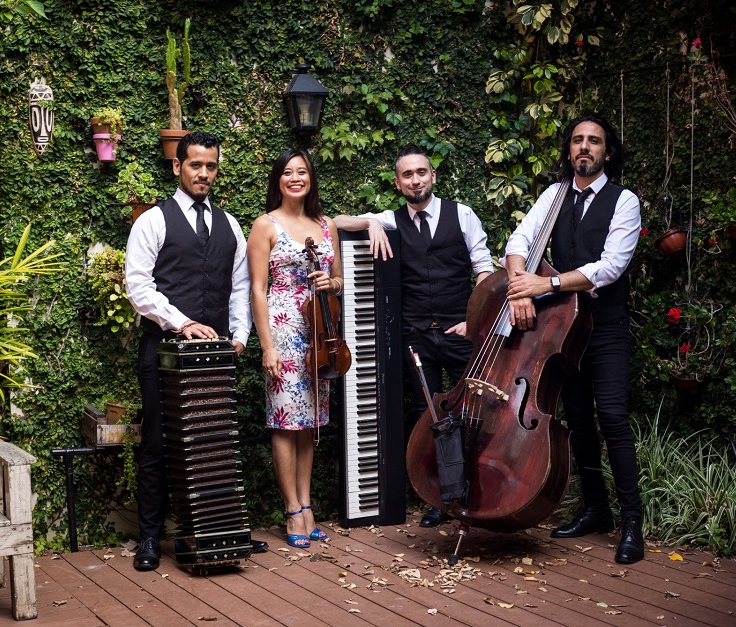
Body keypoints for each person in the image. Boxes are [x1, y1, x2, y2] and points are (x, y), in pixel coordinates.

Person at [503, 114, 644, 564]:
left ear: (607, 152)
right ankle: (596, 509)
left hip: (604, 330)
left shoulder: (625, 201)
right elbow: (518, 241)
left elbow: (611, 266)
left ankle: (631, 522)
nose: (585, 147)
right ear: (569, 151)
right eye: (578, 141)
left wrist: (544, 286)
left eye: (595, 141)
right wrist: (517, 289)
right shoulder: (554, 194)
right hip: (562, 330)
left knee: (614, 419)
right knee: (579, 421)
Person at [124, 131, 268, 571]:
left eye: (210, 166)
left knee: (213, 442)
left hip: (217, 355)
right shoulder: (152, 220)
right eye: (195, 165)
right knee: (156, 446)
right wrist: (182, 322)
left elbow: (240, 286)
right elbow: (138, 286)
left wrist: (241, 334)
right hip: (163, 351)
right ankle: (149, 539)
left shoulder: (229, 224)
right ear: (177, 167)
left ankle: (218, 532)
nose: (203, 173)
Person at [334, 144, 493, 528]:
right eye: (407, 175)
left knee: (476, 414)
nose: (415, 180)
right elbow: (337, 221)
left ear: (433, 176)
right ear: (397, 182)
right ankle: (441, 498)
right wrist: (371, 223)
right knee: (431, 419)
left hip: (461, 334)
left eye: (421, 172)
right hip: (417, 339)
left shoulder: (463, 215)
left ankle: (481, 493)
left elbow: (485, 272)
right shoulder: (389, 218)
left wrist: (476, 321)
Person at [247, 149, 342, 548]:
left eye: (302, 171)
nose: (296, 177)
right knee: (286, 423)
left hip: (320, 333)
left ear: (311, 178)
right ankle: (291, 509)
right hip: (284, 334)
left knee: (311, 425)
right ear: (278, 179)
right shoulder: (264, 225)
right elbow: (257, 289)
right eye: (288, 172)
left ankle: (307, 504)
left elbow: (339, 281)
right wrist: (266, 346)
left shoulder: (326, 224)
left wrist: (330, 284)